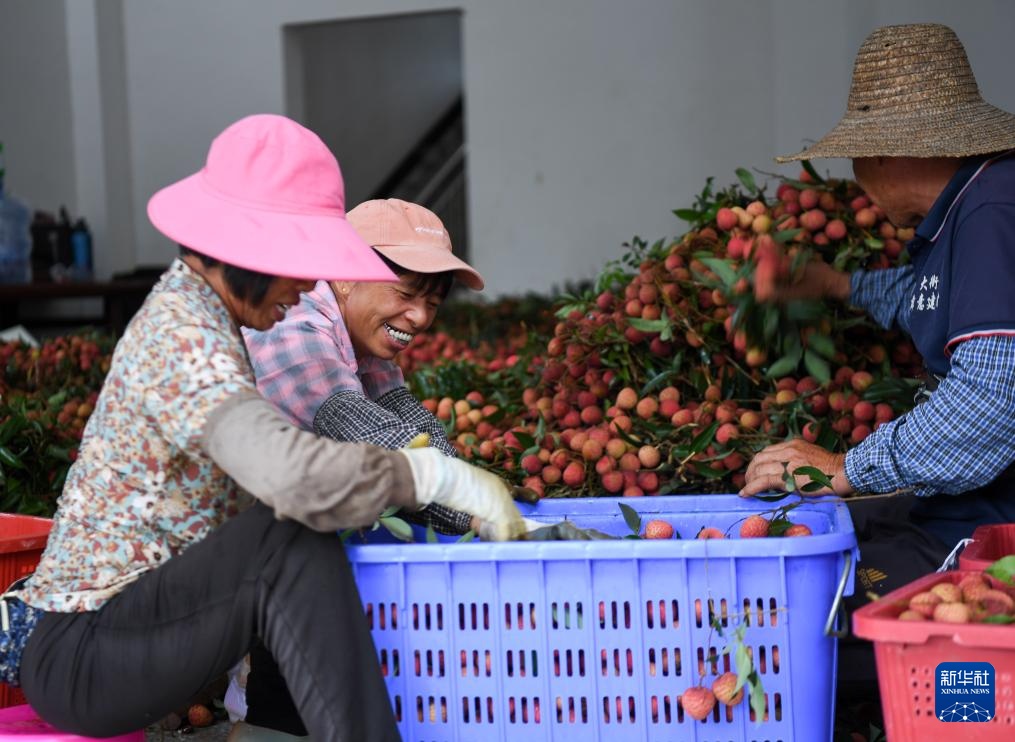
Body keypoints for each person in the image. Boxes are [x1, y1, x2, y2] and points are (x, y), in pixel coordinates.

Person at [2, 114, 526, 740]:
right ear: (250, 248)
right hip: (86, 655)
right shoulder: (184, 336)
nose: (310, 283)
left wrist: (471, 495)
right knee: (288, 535)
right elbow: (295, 477)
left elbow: (386, 430)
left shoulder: (218, 316)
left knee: (300, 534)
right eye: (302, 261)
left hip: (144, 630)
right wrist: (436, 476)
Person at [739, 23, 1015, 696]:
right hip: (957, 505)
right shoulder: (967, 210)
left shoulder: (992, 209)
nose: (855, 179)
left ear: (888, 154)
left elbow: (989, 403)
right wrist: (831, 285)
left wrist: (844, 468)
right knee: (796, 542)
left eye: (856, 159)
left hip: (991, 534)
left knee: (794, 619)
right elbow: (931, 298)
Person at [229, 199, 486, 740]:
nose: (419, 317)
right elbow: (382, 451)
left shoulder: (359, 336)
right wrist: (491, 515)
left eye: (432, 303)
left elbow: (418, 434)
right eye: (406, 293)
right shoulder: (294, 329)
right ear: (346, 276)